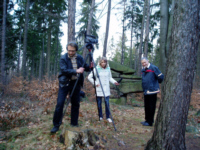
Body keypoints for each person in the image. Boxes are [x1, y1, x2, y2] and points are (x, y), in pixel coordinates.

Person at [51, 41, 92, 133]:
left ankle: (74, 123)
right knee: (60, 104)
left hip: (76, 83)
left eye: (73, 51)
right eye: (69, 50)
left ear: (76, 50)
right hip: (65, 84)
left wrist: (90, 67)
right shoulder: (63, 58)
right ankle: (56, 125)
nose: (71, 52)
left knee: (75, 104)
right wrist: (76, 71)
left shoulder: (80, 58)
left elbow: (85, 67)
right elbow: (64, 70)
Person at [88, 57, 119, 123]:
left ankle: (108, 117)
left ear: (106, 62)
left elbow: (110, 78)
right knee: (99, 103)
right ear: (100, 62)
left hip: (106, 89)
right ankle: (100, 117)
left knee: (107, 103)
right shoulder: (96, 68)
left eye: (104, 62)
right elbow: (89, 77)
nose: (103, 63)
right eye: (102, 62)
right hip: (99, 88)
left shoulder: (108, 69)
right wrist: (96, 83)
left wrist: (114, 82)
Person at [140, 57, 164, 126]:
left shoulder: (154, 68)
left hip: (152, 91)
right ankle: (146, 120)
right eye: (142, 63)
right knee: (146, 106)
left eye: (145, 62)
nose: (144, 64)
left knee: (151, 107)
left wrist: (155, 84)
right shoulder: (143, 70)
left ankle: (150, 122)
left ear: (148, 61)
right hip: (146, 91)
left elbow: (161, 76)